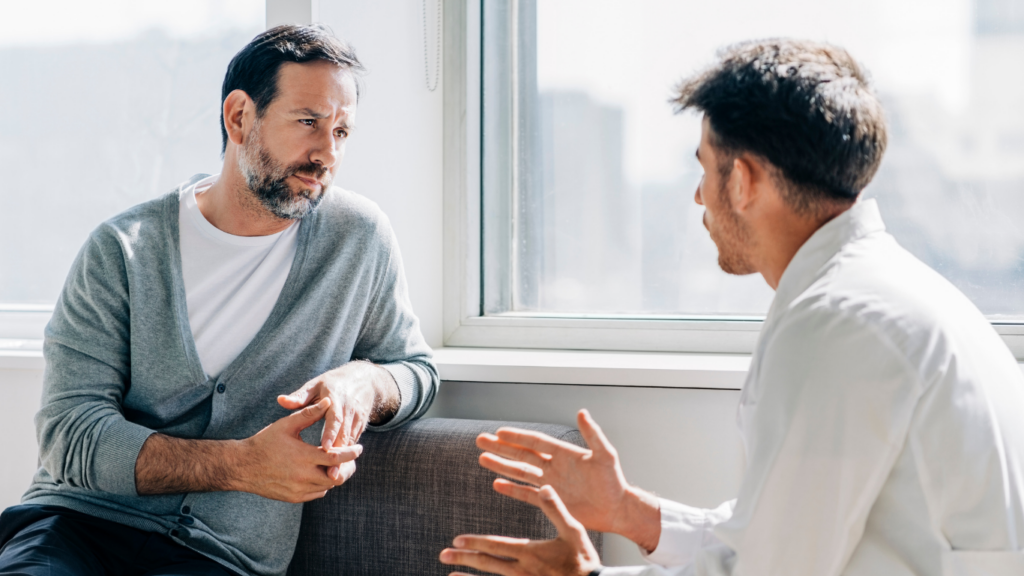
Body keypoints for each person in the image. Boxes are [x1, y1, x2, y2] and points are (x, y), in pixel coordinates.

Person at [440, 38, 1024, 576]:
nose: (698, 195)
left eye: (704, 167)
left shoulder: (837, 325)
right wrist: (630, 513)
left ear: (742, 180)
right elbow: (779, 532)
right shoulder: (885, 296)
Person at [0, 25, 438, 576]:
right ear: (239, 117)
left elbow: (415, 369)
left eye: (343, 131)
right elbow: (70, 434)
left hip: (220, 556)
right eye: (308, 122)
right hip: (73, 528)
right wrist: (239, 466)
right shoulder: (124, 250)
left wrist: (365, 382)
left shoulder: (357, 238)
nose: (327, 153)